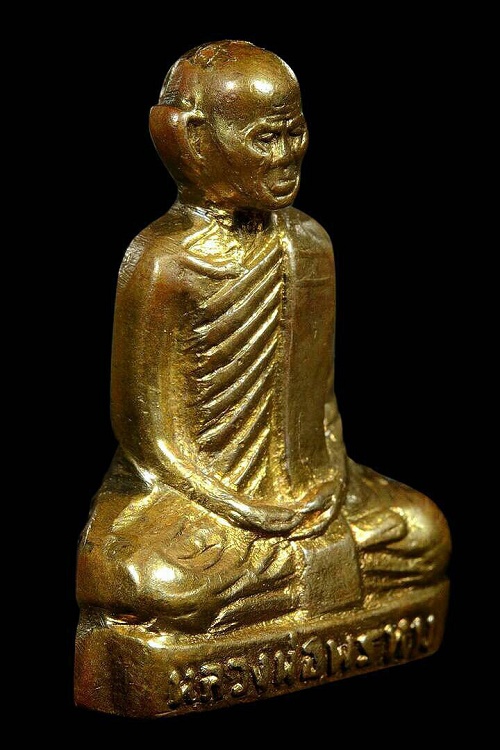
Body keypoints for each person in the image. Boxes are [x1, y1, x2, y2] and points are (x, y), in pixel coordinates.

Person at [77, 40, 450, 635]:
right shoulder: (162, 260)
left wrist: (327, 487)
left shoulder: (310, 243)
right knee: (145, 578)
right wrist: (241, 508)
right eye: (264, 138)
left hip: (308, 489)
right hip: (199, 497)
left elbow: (322, 401)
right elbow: (149, 436)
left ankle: (271, 589)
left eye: (294, 133)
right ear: (195, 141)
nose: (286, 156)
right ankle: (294, 580)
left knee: (425, 531)